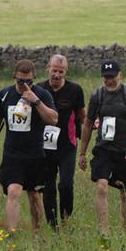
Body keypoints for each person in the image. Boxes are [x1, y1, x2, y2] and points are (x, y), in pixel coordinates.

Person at [0, 59, 58, 233]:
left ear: (34, 78)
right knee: (13, 192)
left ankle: (37, 233)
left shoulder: (42, 95)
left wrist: (35, 101)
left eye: (28, 81)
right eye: (20, 81)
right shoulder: (4, 95)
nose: (24, 85)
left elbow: (53, 119)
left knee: (35, 196)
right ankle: (11, 235)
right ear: (14, 77)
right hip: (13, 155)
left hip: (37, 155)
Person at [78, 60, 126, 234]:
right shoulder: (97, 96)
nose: (109, 80)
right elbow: (87, 124)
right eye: (106, 77)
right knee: (101, 185)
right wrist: (82, 153)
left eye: (113, 76)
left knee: (125, 191)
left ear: (120, 75)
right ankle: (103, 231)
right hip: (104, 149)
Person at [38, 54, 85, 229]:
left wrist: (92, 122)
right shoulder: (39, 89)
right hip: (45, 147)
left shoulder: (75, 90)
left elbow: (82, 114)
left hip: (67, 145)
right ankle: (52, 224)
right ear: (47, 69)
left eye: (61, 71)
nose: (56, 75)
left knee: (65, 184)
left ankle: (65, 218)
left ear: (65, 72)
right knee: (48, 186)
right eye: (54, 70)